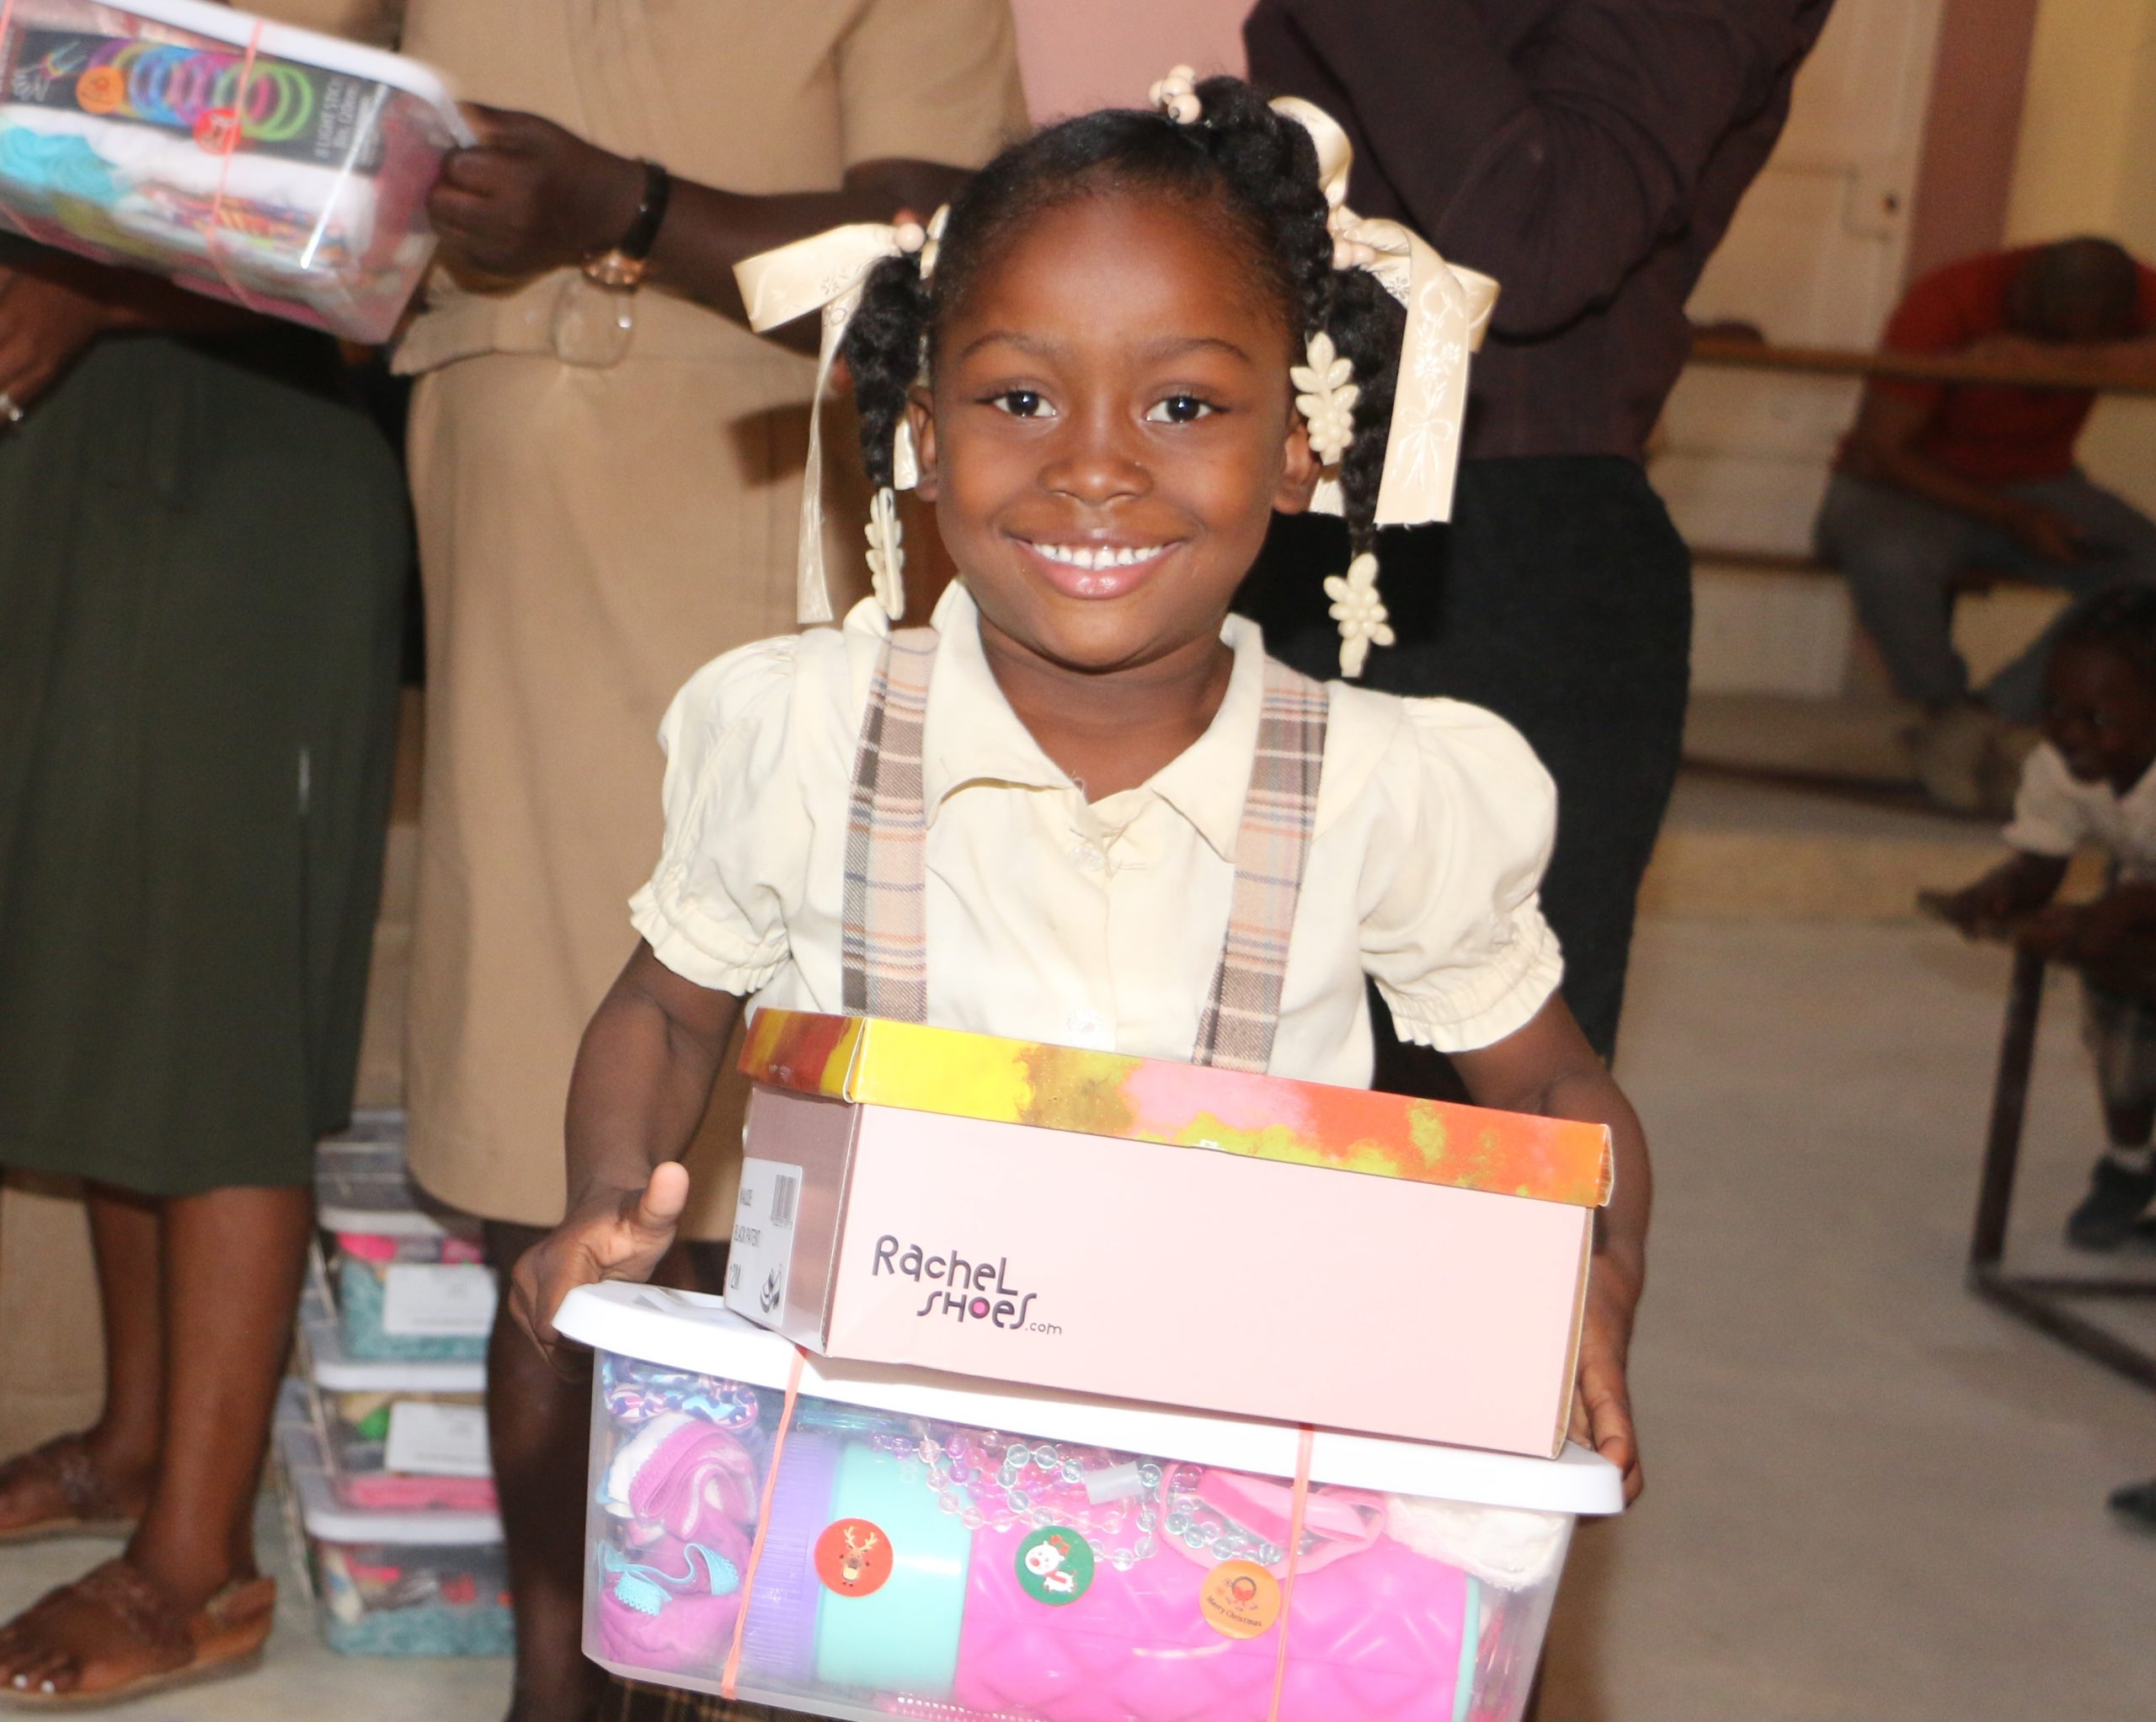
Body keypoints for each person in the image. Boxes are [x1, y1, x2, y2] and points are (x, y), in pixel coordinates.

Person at [514, 78, 1654, 1691]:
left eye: (1184, 406)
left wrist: (1588, 1291)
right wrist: (603, 1198)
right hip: (866, 1530)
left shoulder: (1389, 791)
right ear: (917, 434)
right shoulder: (803, 733)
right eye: (1019, 400)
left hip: (1237, 1565)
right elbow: (663, 1010)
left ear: (1299, 453)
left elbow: (1552, 1080)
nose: (1098, 470)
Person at [382, 5, 1027, 1719]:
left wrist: (625, 204)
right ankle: (556, 1678)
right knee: (549, 1145)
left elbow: (953, 249)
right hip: (510, 498)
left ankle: (765, 1661)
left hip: (771, 502)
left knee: (810, 1172)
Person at [1240, 0, 1833, 1070]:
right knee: (1218, 1080)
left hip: (1500, 555)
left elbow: (1541, 231)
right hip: (1280, 516)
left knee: (1451, 1128)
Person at [0, 238, 408, 1703]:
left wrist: (101, 297)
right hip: (67, 445)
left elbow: (380, 244)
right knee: (105, 965)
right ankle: (133, 1447)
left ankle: (203, 1563)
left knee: (218, 990)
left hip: (249, 444)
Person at [1818, 238, 2156, 811]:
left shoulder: (2135, 290)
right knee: (1889, 558)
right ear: (2020, 295)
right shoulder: (1947, 301)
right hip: (1900, 481)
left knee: (2149, 564)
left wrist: (2055, 363)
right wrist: (2015, 517)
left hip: (2040, 480)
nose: (2065, 348)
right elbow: (1880, 450)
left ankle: (1987, 720)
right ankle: (1942, 712)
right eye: (2048, 332)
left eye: (2082, 342)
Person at [1935, 586, 2156, 1250]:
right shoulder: (2060, 767)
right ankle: (2127, 1166)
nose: (2068, 731)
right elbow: (2041, 859)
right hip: (2140, 890)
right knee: (2123, 1044)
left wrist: (2119, 907)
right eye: (2055, 709)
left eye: (2095, 716)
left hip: (2140, 894)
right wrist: (2000, 890)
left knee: (2111, 930)